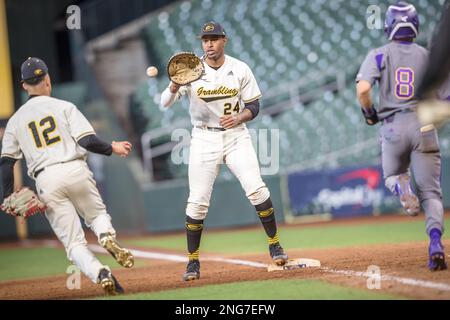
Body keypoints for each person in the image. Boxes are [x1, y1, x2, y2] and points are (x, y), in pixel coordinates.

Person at [160, 22, 288, 281]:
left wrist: (240, 117)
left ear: (224, 41)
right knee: (197, 203)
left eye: (214, 38)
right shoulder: (192, 70)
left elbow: (254, 105)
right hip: (203, 138)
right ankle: (193, 263)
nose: (208, 43)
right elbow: (164, 103)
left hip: (235, 137)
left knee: (257, 188)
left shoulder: (239, 68)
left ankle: (275, 244)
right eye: (205, 39)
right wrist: (174, 85)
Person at [0, 57, 135, 295]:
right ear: (48, 80)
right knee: (97, 215)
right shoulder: (64, 107)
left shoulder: (15, 120)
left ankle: (100, 273)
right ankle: (105, 236)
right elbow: (87, 141)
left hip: (46, 179)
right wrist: (112, 148)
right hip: (75, 169)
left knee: (74, 243)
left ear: (24, 85)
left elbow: (7, 162)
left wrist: (7, 195)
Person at [356, 2, 447, 271]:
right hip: (424, 126)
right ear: (415, 26)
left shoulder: (379, 54)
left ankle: (402, 187)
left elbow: (362, 89)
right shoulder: (430, 56)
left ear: (388, 26)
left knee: (392, 176)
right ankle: (435, 244)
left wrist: (370, 113)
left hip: (393, 127)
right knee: (431, 193)